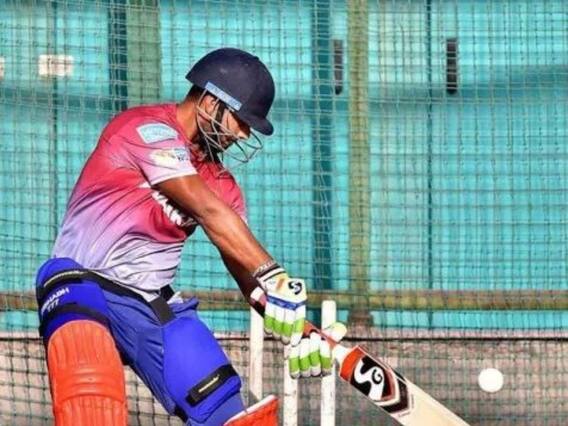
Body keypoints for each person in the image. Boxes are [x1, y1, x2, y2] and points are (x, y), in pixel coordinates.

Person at [34, 48, 342, 426]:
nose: (244, 133)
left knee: (232, 417)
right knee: (91, 404)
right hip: (80, 282)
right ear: (211, 102)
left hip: (150, 303)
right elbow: (208, 210)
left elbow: (252, 282)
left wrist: (302, 332)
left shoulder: (223, 184)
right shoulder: (145, 129)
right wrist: (276, 276)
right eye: (241, 120)